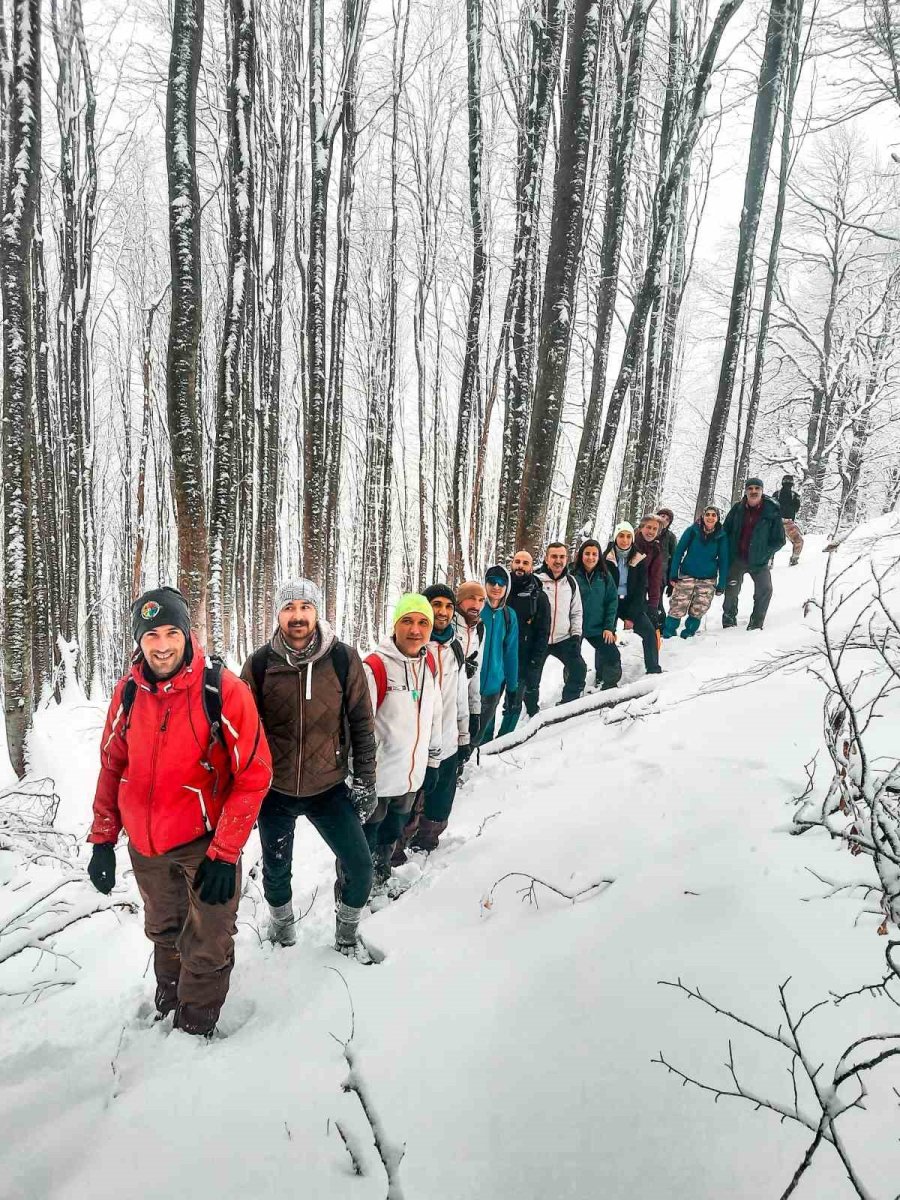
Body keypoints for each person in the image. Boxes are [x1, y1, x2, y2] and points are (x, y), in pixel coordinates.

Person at [87, 586, 272, 1037]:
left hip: (205, 847)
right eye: (152, 635)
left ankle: (193, 1032)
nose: (163, 644)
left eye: (173, 632)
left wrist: (226, 852)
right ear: (139, 640)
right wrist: (103, 840)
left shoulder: (223, 691)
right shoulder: (128, 694)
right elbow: (112, 765)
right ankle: (168, 1006)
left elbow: (254, 773)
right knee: (165, 933)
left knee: (207, 941)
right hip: (147, 850)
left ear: (188, 633)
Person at [241, 580, 378, 963]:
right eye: (289, 608)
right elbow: (240, 734)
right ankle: (282, 933)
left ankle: (347, 934)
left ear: (318, 612)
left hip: (328, 787)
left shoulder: (343, 660)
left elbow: (362, 724)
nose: (297, 616)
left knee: (361, 867)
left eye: (305, 607)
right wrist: (243, 792)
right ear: (278, 614)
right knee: (275, 872)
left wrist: (365, 780)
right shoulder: (258, 665)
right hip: (276, 791)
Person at [362, 594, 442, 893]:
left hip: (409, 778)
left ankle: (379, 879)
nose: (415, 630)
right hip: (378, 780)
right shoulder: (374, 667)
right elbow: (359, 727)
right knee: (364, 840)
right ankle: (352, 891)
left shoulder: (428, 664)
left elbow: (434, 714)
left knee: (391, 834)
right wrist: (362, 778)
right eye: (407, 621)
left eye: (423, 623)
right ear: (395, 624)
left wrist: (432, 762)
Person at [399, 584, 470, 853]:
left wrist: (465, 735)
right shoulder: (412, 645)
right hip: (415, 744)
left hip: (449, 738)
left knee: (441, 800)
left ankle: (427, 842)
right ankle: (396, 850)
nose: (442, 611)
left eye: (448, 606)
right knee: (408, 801)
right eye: (436, 604)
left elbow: (460, 693)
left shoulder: (456, 648)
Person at [498, 550, 551, 736]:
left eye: (525, 563)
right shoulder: (500, 591)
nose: (520, 566)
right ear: (512, 564)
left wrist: (535, 661)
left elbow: (543, 633)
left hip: (522, 659)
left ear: (531, 567)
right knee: (487, 701)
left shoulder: (539, 597)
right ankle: (483, 740)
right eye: (517, 561)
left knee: (513, 703)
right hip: (497, 657)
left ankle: (504, 740)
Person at [722, 477, 786, 630]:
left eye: (757, 488)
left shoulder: (771, 511)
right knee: (731, 590)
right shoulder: (737, 509)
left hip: (759, 562)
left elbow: (779, 540)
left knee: (765, 590)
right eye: (750, 488)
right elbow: (725, 531)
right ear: (746, 491)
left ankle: (756, 624)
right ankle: (729, 621)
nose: (753, 491)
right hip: (738, 559)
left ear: (762, 491)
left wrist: (765, 553)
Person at [604, 523, 662, 675]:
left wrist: (631, 616)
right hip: (611, 602)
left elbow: (640, 589)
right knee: (606, 634)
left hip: (631, 602)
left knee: (649, 632)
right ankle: (602, 674)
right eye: (621, 536)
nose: (625, 540)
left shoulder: (638, 558)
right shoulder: (606, 557)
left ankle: (653, 669)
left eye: (628, 536)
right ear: (616, 537)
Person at [664, 506, 729, 639]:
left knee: (699, 608)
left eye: (713, 515)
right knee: (678, 605)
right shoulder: (692, 531)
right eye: (708, 515)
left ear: (717, 518)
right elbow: (678, 552)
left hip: (707, 579)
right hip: (687, 575)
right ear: (703, 517)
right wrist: (673, 574)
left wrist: (722, 582)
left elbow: (723, 560)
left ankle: (688, 633)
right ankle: (669, 632)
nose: (710, 518)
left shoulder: (721, 535)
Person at [534, 543, 587, 703]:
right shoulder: (536, 581)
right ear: (546, 559)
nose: (558, 560)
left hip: (563, 638)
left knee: (579, 670)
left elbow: (576, 611)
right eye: (554, 556)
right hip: (538, 640)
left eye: (562, 557)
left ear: (567, 559)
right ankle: (532, 711)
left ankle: (567, 704)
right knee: (530, 680)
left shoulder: (571, 582)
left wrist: (576, 636)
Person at [476, 565, 519, 743]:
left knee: (485, 731)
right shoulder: (476, 610)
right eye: (492, 581)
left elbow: (511, 653)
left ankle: (482, 765)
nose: (496, 586)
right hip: (470, 685)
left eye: (501, 583)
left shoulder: (509, 616)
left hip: (494, 684)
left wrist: (512, 686)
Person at [571, 539, 621, 690]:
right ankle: (573, 690)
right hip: (574, 628)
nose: (591, 557)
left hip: (598, 627)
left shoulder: (605, 576)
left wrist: (609, 627)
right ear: (581, 555)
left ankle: (609, 686)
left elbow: (612, 601)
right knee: (573, 661)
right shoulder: (571, 574)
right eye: (587, 553)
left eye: (594, 554)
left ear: (599, 556)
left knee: (612, 655)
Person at [454, 581, 485, 763]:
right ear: (460, 601)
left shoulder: (479, 629)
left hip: (463, 702)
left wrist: (475, 711)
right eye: (471, 598)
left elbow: (476, 671)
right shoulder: (447, 626)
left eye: (481, 600)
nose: (477, 605)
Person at [634, 515, 665, 627]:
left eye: (655, 529)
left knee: (648, 629)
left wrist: (653, 604)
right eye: (648, 527)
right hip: (620, 589)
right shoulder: (629, 540)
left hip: (640, 590)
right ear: (641, 527)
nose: (651, 531)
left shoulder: (655, 549)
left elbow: (655, 577)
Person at [775, 474, 804, 565]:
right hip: (788, 523)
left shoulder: (776, 494)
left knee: (770, 543)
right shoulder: (795, 495)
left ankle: (768, 562)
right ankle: (794, 560)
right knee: (799, 541)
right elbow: (796, 508)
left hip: (775, 522)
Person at [656, 508, 678, 624]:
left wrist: (672, 580)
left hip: (661, 576)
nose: (664, 520)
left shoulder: (670, 537)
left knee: (657, 602)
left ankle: (660, 626)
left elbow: (674, 559)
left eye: (667, 519)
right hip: (643, 575)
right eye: (662, 516)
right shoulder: (645, 531)